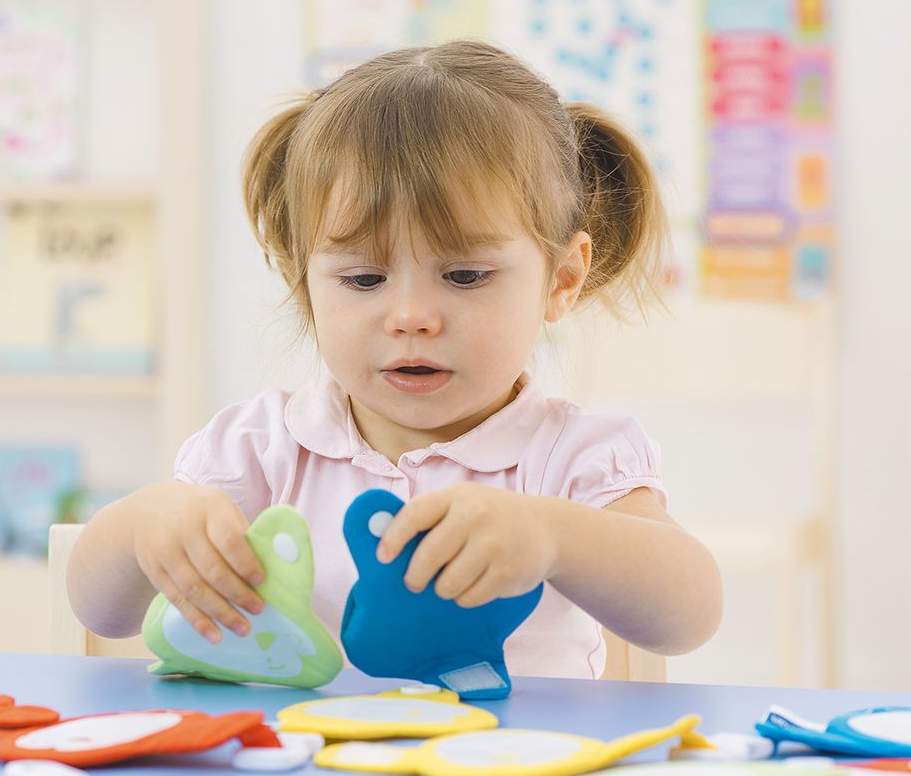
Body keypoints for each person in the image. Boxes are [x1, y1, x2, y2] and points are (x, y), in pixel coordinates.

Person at [67, 40, 721, 678]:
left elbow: (689, 613)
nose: (410, 316)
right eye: (363, 280)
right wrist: (143, 528)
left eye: (464, 275)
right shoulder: (262, 450)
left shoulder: (571, 457)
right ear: (303, 278)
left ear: (560, 279)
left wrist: (554, 537)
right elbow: (99, 610)